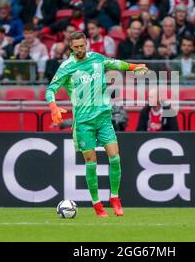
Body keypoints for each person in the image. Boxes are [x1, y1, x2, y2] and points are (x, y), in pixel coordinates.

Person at [46, 31, 148, 217]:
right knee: (91, 162)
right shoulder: (67, 67)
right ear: (70, 47)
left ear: (86, 44)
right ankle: (96, 204)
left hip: (103, 117)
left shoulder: (97, 58)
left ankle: (115, 198)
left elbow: (116, 63)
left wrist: (134, 67)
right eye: (75, 47)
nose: (79, 49)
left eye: (81, 46)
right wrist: (53, 106)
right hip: (84, 123)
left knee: (115, 157)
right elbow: (50, 89)